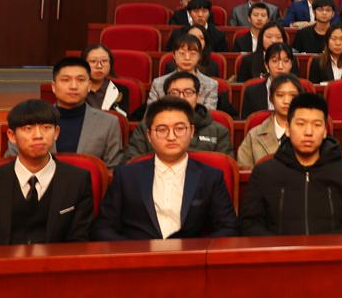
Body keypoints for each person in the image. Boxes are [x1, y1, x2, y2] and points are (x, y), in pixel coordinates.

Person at [0, 100, 94, 246]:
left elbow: (80, 242)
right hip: (0, 260)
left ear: (56, 133)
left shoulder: (78, 180)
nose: (38, 135)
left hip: (56, 260)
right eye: (28, 128)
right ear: (11, 136)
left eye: (46, 127)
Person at [92, 98, 238, 240]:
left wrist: (196, 251)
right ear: (149, 136)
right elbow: (104, 228)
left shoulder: (210, 177)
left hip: (190, 254)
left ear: (192, 131)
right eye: (162, 130)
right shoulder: (126, 176)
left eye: (179, 129)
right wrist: (133, 252)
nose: (171, 137)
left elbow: (228, 227)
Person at [240, 93, 342, 235]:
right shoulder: (264, 173)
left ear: (325, 131)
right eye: (300, 124)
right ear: (288, 129)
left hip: (332, 249)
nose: (308, 132)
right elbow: (250, 226)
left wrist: (325, 245)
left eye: (317, 125)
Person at [19, 57, 122, 169]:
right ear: (53, 87)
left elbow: (113, 169)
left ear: (89, 86)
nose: (73, 86)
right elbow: (14, 164)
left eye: (80, 80)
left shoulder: (108, 123)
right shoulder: (28, 119)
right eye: (65, 80)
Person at [126, 73, 232, 159]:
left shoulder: (219, 131)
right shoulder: (146, 127)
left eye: (188, 92)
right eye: (174, 92)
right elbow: (132, 163)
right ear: (166, 96)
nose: (181, 97)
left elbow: (224, 168)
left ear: (197, 97)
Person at [237, 74, 301, 169]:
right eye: (280, 95)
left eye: (293, 95)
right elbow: (244, 171)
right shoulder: (254, 135)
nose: (286, 101)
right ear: (271, 99)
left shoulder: (310, 134)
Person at [146, 35, 218, 114]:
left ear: (199, 56)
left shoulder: (211, 85)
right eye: (182, 53)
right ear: (174, 55)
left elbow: (207, 116)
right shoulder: (158, 83)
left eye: (192, 54)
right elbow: (150, 114)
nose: (187, 58)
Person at [242, 43, 299, 117]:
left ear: (291, 64)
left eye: (285, 61)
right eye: (275, 61)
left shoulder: (300, 91)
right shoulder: (252, 92)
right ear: (266, 65)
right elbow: (248, 121)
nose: (280, 66)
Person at [82, 44, 127, 114]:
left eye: (104, 61)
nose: (99, 66)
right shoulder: (74, 88)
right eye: (93, 61)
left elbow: (122, 118)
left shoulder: (120, 90)